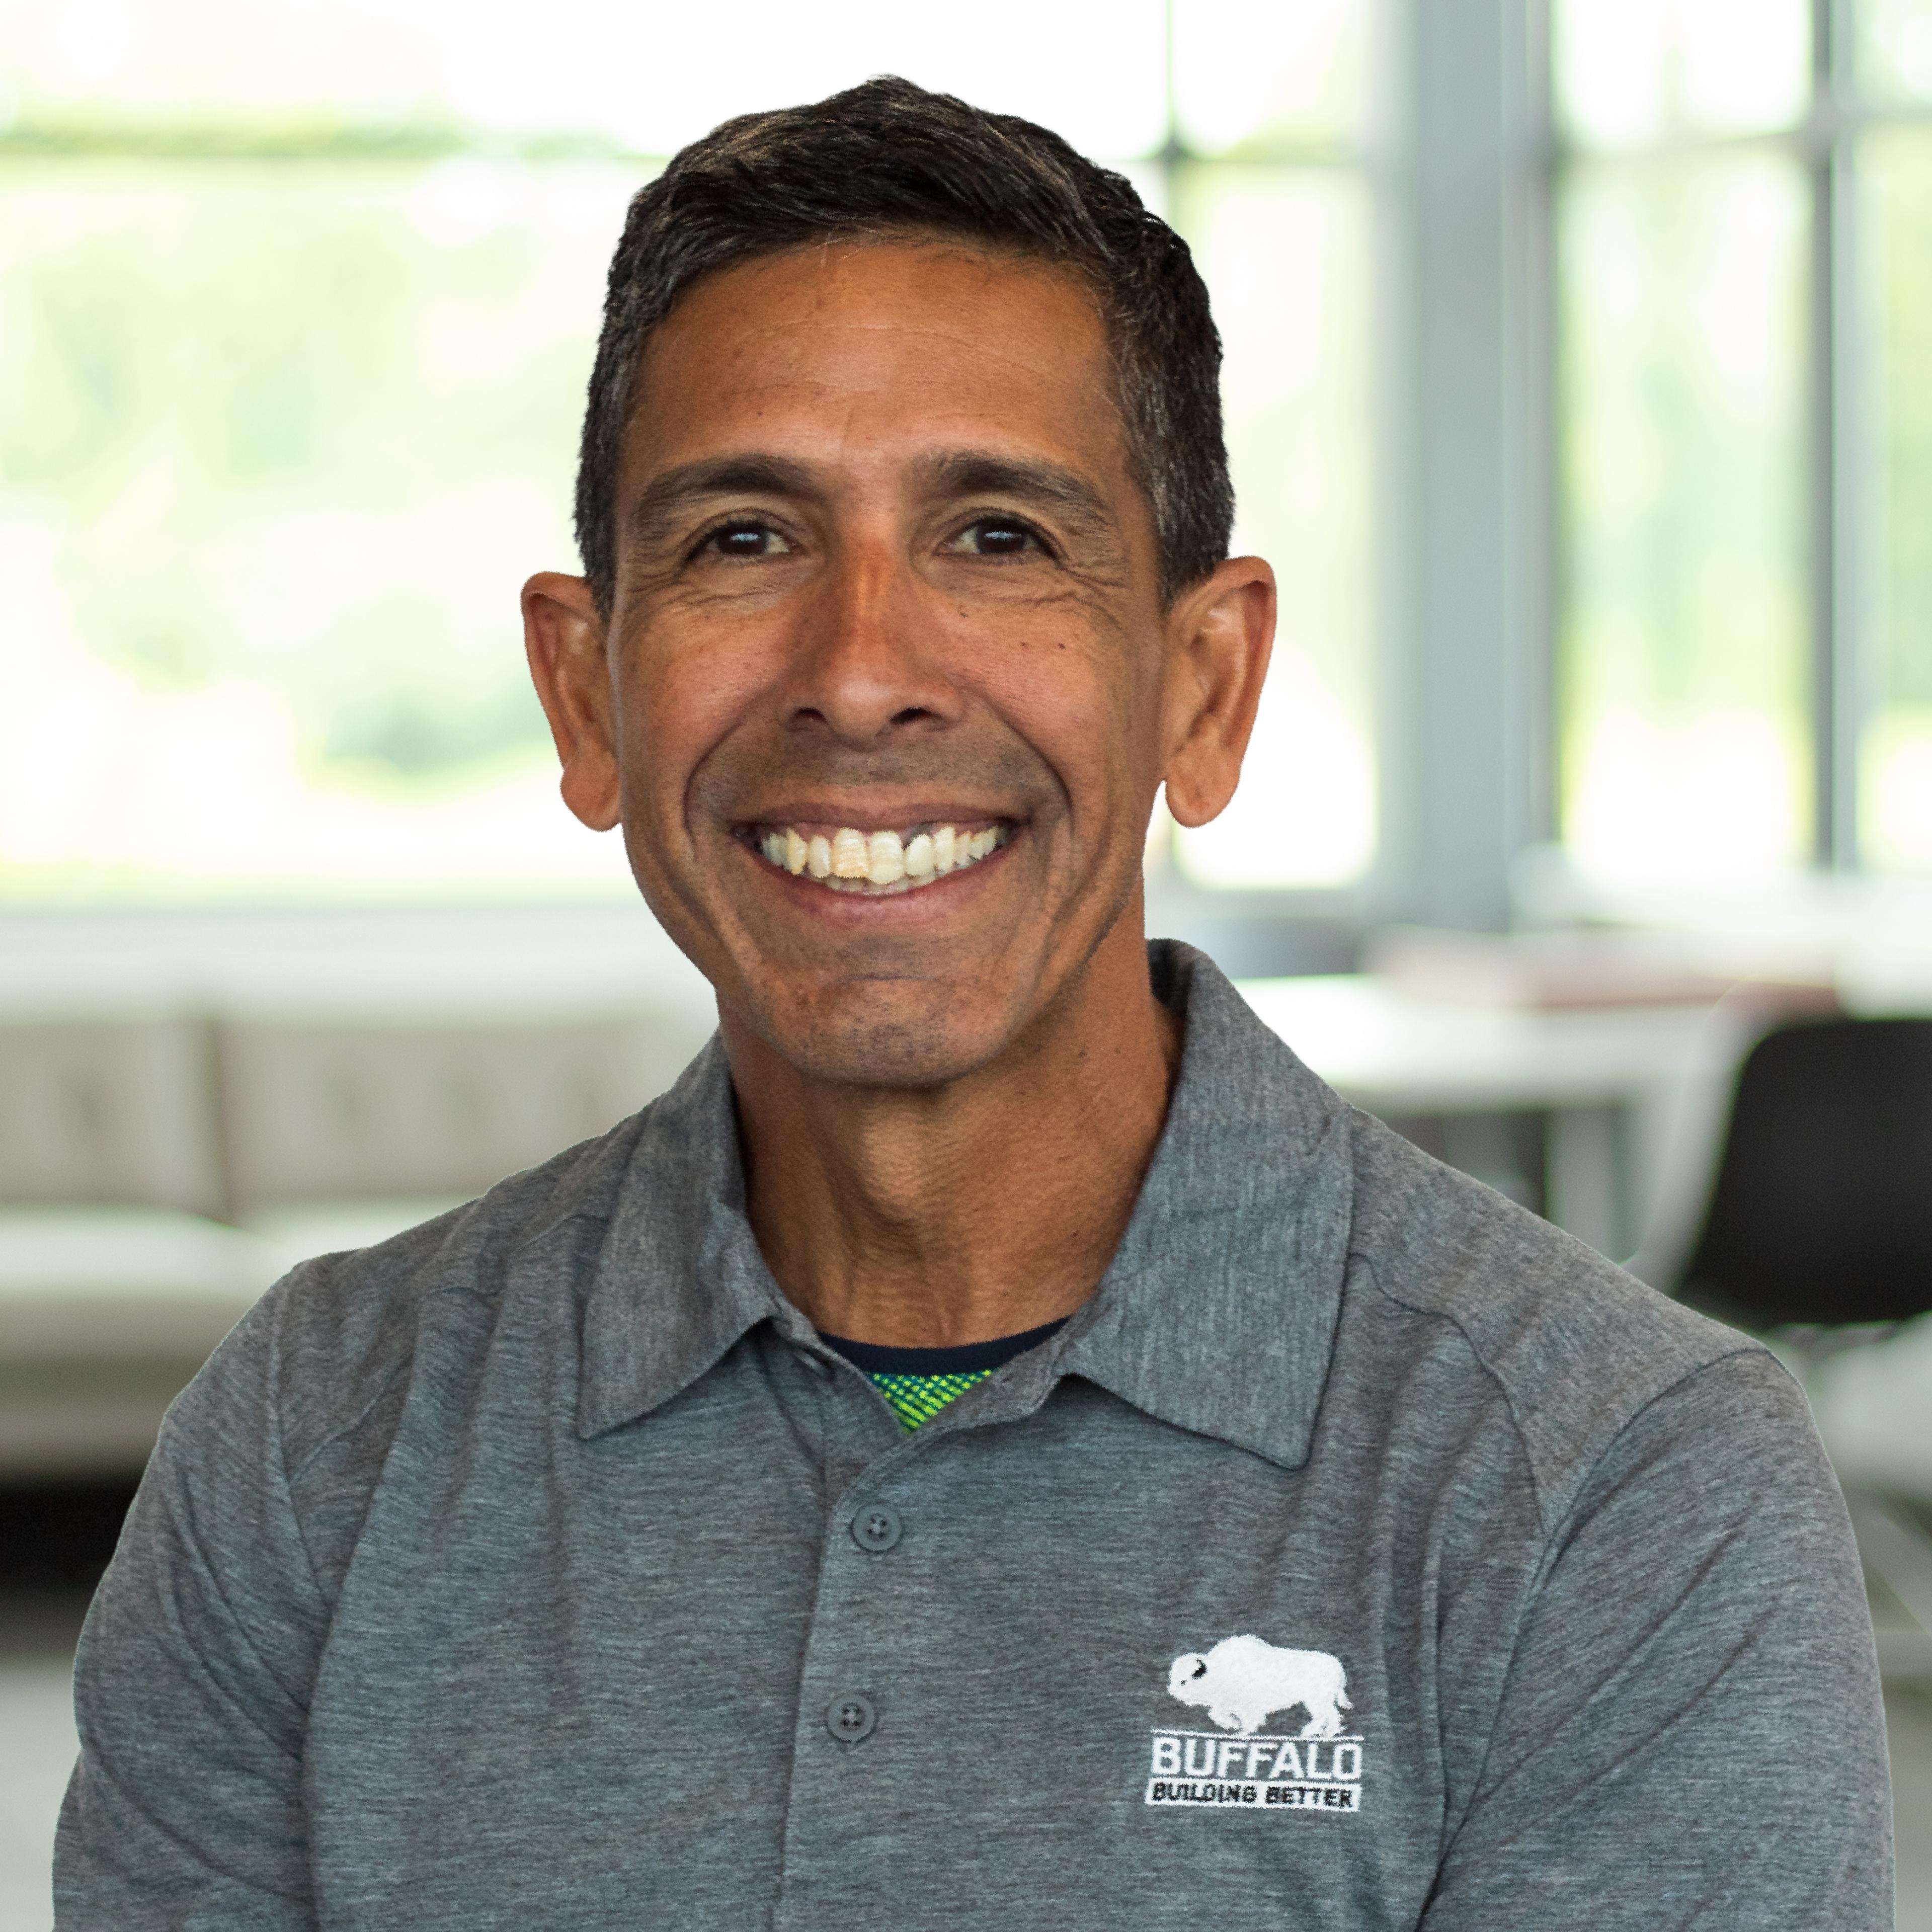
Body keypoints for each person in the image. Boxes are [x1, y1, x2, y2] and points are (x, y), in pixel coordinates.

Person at [56, 77, 1890, 1929]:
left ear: (1203, 689)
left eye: (1000, 536)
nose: (862, 676)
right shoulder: (315, 1444)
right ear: (585, 693)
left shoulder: (1622, 1490)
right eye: (743, 541)